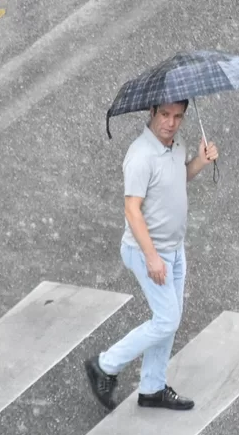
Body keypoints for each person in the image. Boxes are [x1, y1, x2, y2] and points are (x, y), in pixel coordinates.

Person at [84, 99, 217, 411]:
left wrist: (199, 161)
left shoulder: (176, 145)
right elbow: (132, 210)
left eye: (178, 117)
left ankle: (153, 388)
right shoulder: (140, 156)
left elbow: (176, 180)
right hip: (147, 251)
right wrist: (152, 257)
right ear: (152, 113)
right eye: (165, 115)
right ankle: (105, 365)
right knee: (167, 319)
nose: (170, 123)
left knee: (168, 320)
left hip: (173, 249)